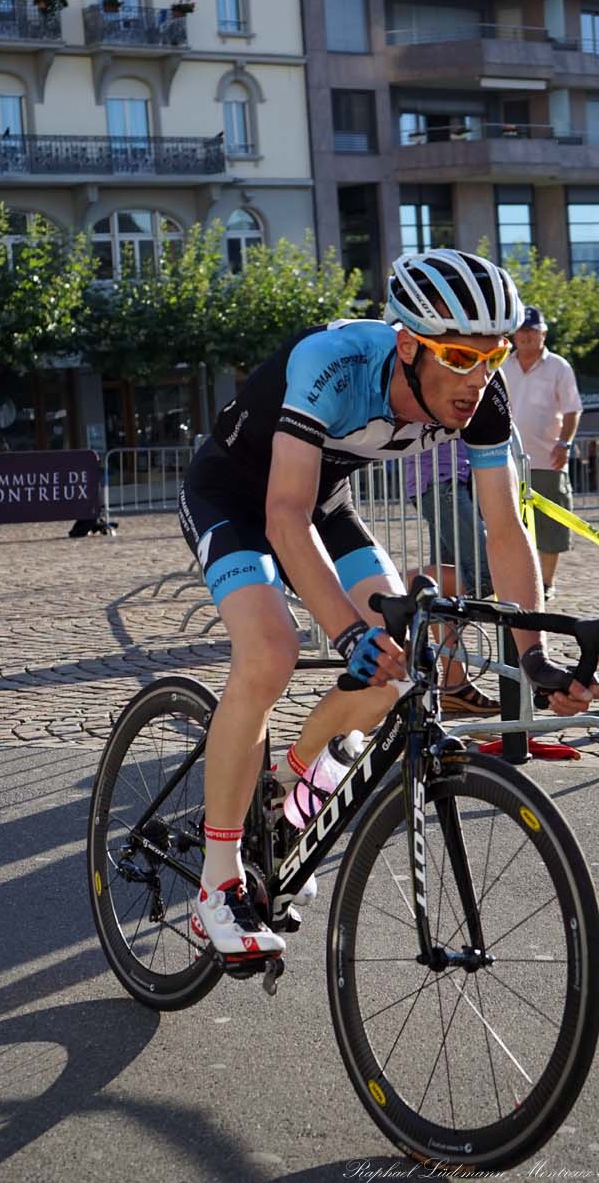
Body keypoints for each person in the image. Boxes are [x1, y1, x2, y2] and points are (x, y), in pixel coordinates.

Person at [178, 249, 599, 959]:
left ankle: (287, 783)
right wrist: (348, 635)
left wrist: (534, 657)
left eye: (493, 355)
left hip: (325, 503)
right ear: (408, 345)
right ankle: (216, 886)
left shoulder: (482, 397)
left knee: (403, 665)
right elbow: (283, 516)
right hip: (235, 498)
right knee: (272, 651)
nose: (478, 377)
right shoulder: (333, 364)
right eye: (459, 357)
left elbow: (504, 528)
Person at [404, 438, 497, 716]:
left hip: (447, 478)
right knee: (483, 577)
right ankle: (380, 586)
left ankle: (456, 682)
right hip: (442, 479)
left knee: (447, 596)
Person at [504, 306, 583, 602]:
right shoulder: (502, 364)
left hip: (548, 460)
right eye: (521, 330)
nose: (525, 336)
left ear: (544, 334)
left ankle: (546, 583)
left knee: (551, 528)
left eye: (532, 330)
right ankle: (519, 582)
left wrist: (564, 444)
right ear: (513, 334)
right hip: (506, 462)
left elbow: (573, 410)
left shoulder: (559, 367)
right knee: (510, 526)